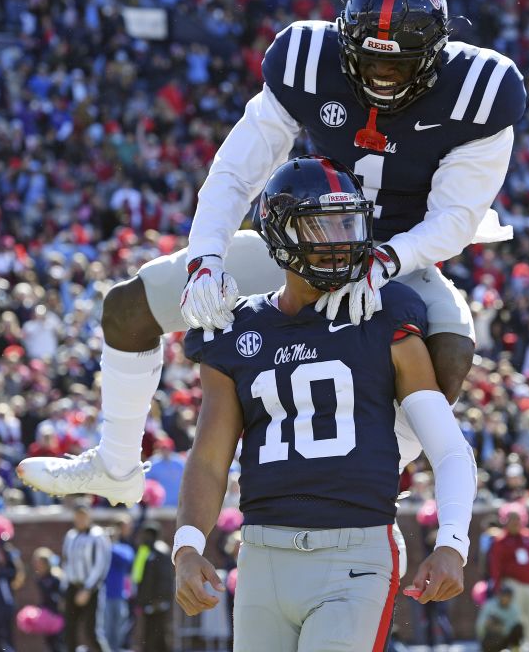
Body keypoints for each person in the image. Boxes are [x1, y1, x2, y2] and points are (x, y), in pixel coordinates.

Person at [16, 0, 525, 507]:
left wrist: (383, 261)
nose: (381, 78)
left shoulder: (480, 92)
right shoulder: (308, 61)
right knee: (127, 308)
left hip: (401, 256)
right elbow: (237, 169)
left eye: (398, 66)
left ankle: (365, 488)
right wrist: (205, 259)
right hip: (303, 248)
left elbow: (455, 219)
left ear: (435, 55)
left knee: (449, 350)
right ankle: (115, 466)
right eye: (368, 61)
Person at [170, 156, 477, 651]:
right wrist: (186, 546)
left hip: (355, 554)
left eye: (347, 221)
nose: (340, 239)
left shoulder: (382, 314)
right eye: (321, 224)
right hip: (262, 557)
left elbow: (449, 447)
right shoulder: (235, 329)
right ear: (279, 232)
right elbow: (209, 457)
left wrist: (453, 544)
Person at [488, 502, 529, 651]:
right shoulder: (500, 540)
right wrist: (499, 589)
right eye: (511, 518)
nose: (514, 522)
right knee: (515, 623)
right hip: (512, 586)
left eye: (517, 518)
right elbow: (496, 566)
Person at [61, 503, 111, 652]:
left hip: (91, 589)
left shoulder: (98, 536)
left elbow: (101, 564)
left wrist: (88, 589)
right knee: (69, 631)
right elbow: (66, 562)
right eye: (78, 516)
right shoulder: (71, 535)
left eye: (83, 516)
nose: (80, 519)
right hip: (73, 586)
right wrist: (65, 589)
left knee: (92, 632)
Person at [96, 515, 136, 652]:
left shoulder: (123, 547)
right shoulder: (103, 548)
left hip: (119, 595)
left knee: (119, 627)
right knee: (104, 628)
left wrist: (108, 545)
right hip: (104, 595)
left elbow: (127, 558)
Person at [132, 523, 174, 652]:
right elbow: (139, 576)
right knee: (148, 634)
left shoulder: (161, 551)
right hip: (146, 601)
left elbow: (165, 578)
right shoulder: (144, 551)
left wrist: (160, 600)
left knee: (159, 633)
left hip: (157, 602)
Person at [0, 531, 24, 652]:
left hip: (5, 607)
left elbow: (11, 562)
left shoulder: (8, 573)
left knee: (6, 636)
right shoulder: (2, 570)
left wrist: (4, 549)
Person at [31, 547, 66, 652]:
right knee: (50, 644)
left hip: (58, 616)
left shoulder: (56, 578)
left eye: (40, 563)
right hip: (47, 616)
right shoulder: (40, 579)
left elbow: (62, 599)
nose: (37, 566)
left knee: (59, 644)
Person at [475, 584, 525, 652]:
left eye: (508, 596)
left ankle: (515, 650)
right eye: (504, 595)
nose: (505, 598)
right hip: (492, 638)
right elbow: (479, 626)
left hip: (506, 638)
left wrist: (501, 627)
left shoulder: (515, 609)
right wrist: (488, 625)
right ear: (499, 595)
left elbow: (515, 626)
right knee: (492, 637)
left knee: (519, 627)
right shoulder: (489, 605)